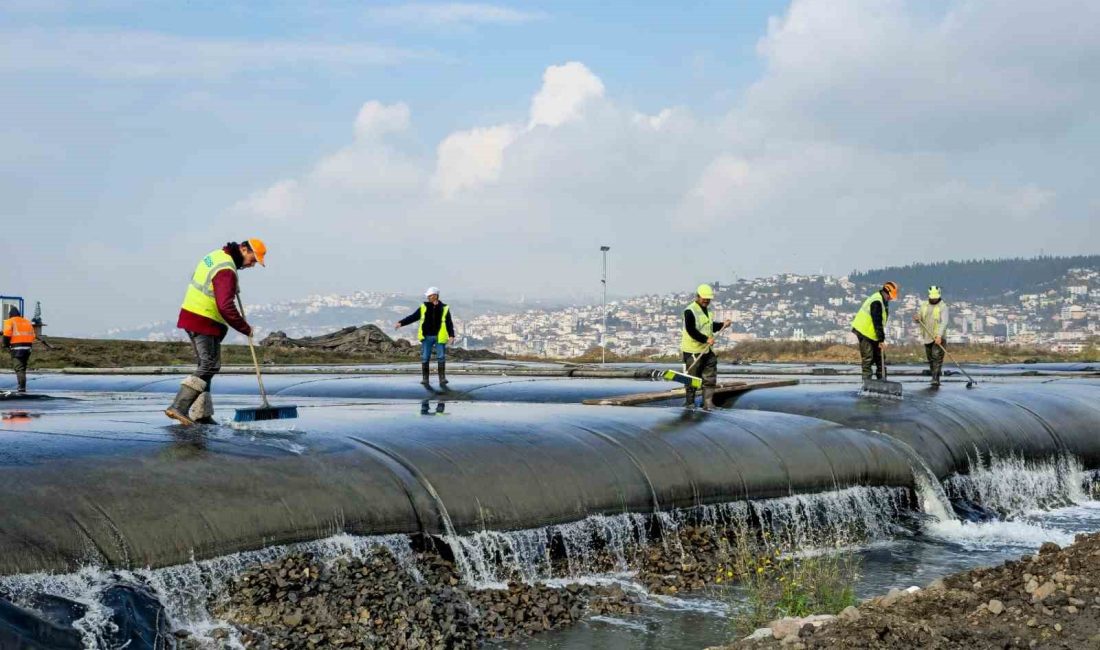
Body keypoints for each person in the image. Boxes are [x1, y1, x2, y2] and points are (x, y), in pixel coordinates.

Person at [165, 239, 266, 425]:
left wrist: (227, 286)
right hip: (204, 319)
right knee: (210, 365)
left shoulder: (217, 256)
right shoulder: (227, 270)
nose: (253, 265)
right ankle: (178, 407)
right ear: (244, 249)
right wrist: (245, 327)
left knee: (206, 366)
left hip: (193, 315)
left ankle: (201, 414)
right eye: (253, 259)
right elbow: (225, 306)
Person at [681, 284, 729, 410]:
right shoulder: (690, 311)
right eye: (704, 298)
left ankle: (708, 403)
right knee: (692, 379)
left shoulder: (707, 311)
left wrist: (723, 325)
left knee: (710, 377)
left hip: (708, 350)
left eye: (708, 299)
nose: (706, 301)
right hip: (693, 350)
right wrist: (705, 339)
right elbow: (691, 330)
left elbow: (710, 326)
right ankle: (689, 404)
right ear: (698, 296)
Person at [396, 287, 455, 388]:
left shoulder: (444, 308)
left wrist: (451, 335)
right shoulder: (424, 306)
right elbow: (413, 317)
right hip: (426, 336)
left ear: (435, 296)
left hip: (439, 336)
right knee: (425, 357)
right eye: (428, 296)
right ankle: (425, 379)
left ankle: (442, 378)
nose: (428, 297)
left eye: (430, 296)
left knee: (441, 357)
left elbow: (449, 323)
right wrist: (401, 322)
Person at [850, 281, 899, 380]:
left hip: (873, 333)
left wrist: (880, 339)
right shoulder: (876, 301)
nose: (891, 298)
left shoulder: (882, 300)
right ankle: (867, 383)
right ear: (886, 292)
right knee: (868, 358)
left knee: (880, 358)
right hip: (864, 332)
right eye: (890, 296)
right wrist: (881, 340)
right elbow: (877, 321)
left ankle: (882, 381)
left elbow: (879, 323)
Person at [914, 285, 949, 387]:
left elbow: (944, 322)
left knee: (936, 357)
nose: (934, 299)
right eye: (932, 297)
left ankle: (935, 379)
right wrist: (917, 318)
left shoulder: (943, 307)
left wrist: (939, 336)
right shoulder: (924, 305)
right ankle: (933, 375)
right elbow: (920, 317)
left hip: (938, 337)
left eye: (935, 297)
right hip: (927, 337)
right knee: (930, 358)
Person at [2, 307, 36, 393]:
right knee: (23, 368)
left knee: (19, 368)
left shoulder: (10, 321)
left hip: (17, 348)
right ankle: (22, 387)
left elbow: (7, 334)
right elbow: (33, 336)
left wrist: (5, 345)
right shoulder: (27, 322)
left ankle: (21, 388)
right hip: (28, 348)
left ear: (10, 315)